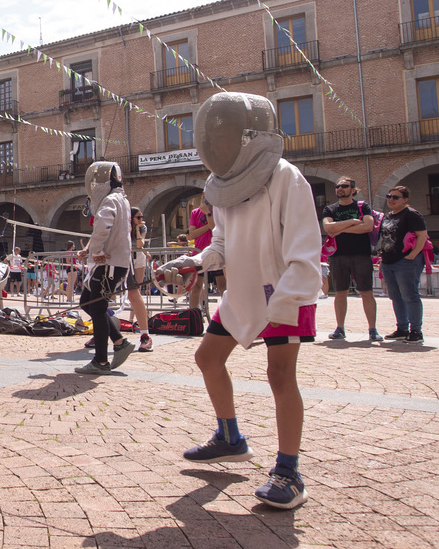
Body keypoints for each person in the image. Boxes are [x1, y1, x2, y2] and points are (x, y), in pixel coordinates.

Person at [160, 92, 319, 509]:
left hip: (283, 291)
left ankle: (289, 472)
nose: (215, 144)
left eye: (223, 134)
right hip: (242, 293)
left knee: (280, 376)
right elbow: (223, 243)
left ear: (249, 136)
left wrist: (286, 301)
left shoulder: (286, 177)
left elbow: (306, 252)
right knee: (208, 358)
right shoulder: (224, 186)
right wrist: (195, 261)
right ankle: (230, 438)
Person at [74, 161, 136, 375]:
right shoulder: (120, 200)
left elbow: (102, 227)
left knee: (98, 310)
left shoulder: (111, 200)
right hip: (110, 264)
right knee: (86, 302)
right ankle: (119, 341)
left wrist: (97, 252)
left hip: (108, 265)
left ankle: (100, 361)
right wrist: (90, 251)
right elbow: (102, 231)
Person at [321, 177, 381, 342]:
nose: (340, 189)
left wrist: (340, 229)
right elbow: (328, 227)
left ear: (353, 190)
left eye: (344, 186)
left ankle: (372, 329)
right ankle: (340, 328)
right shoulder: (330, 209)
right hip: (338, 256)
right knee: (340, 293)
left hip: (361, 254)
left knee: (366, 292)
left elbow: (368, 226)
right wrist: (353, 223)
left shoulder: (362, 206)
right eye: (338, 186)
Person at [377, 186, 428, 344]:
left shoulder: (411, 214)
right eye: (389, 196)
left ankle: (416, 331)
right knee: (395, 296)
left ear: (405, 199)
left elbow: (422, 235)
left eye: (395, 197)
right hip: (388, 260)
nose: (391, 199)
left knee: (410, 295)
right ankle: (402, 328)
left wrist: (412, 255)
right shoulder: (387, 216)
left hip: (405, 261)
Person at [188, 200, 227, 309]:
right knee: (196, 286)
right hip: (199, 253)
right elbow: (192, 234)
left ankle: (226, 312)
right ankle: (193, 313)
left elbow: (214, 227)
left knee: (222, 286)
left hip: (215, 252)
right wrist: (208, 226)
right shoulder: (195, 212)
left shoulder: (218, 211)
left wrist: (208, 214)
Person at [128, 207, 154, 352]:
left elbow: (139, 244)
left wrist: (138, 229)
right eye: (138, 217)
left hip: (138, 258)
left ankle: (141, 326)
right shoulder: (125, 226)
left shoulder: (142, 227)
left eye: (141, 217)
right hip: (126, 258)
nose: (141, 219)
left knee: (136, 290)